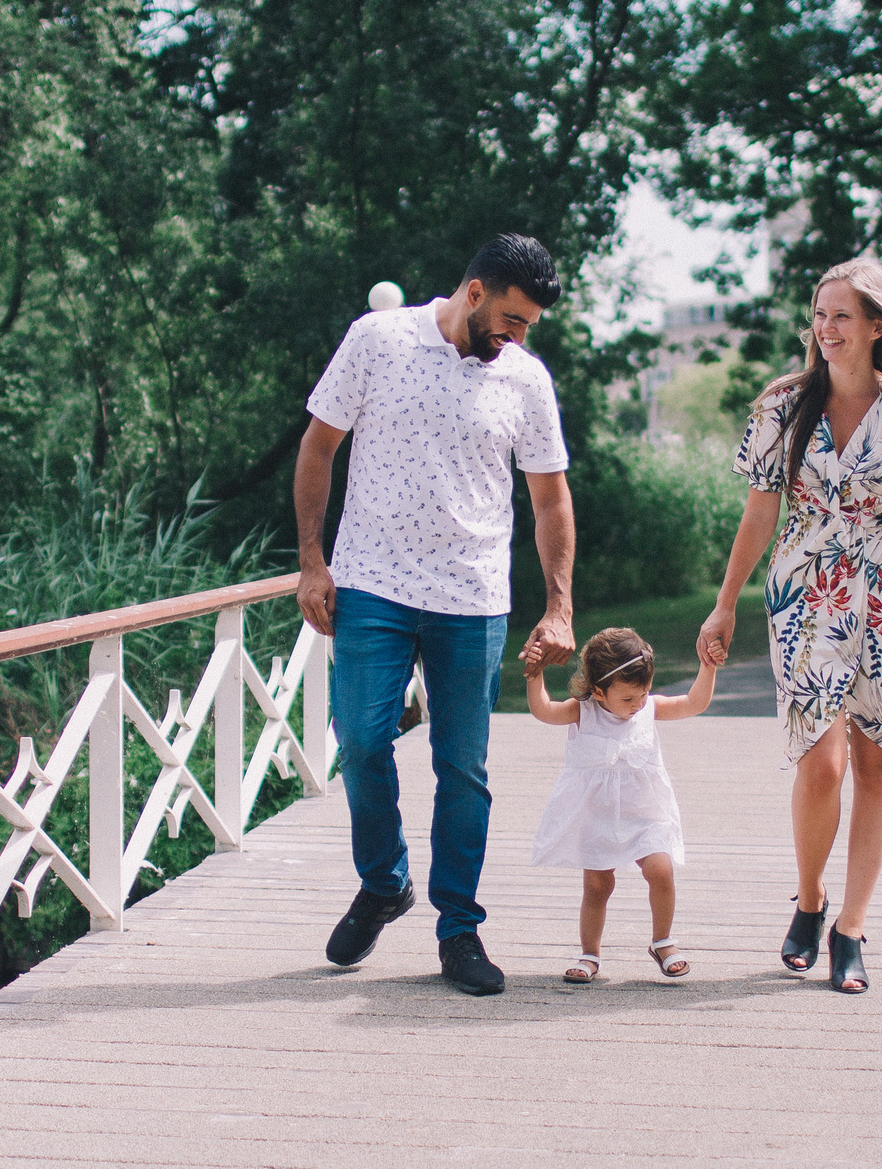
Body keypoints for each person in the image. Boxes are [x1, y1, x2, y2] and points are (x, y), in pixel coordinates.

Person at [294, 234, 577, 997]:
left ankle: (460, 928)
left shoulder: (524, 378)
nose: (519, 337)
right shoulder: (378, 339)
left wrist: (559, 604)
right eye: (513, 319)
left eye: (530, 327)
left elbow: (550, 497)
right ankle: (385, 881)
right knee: (359, 739)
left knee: (462, 768)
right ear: (476, 291)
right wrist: (313, 562)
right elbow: (319, 446)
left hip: (472, 595)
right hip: (372, 585)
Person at [695, 258, 882, 995]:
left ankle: (852, 925)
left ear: (877, 326)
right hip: (806, 592)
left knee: (879, 763)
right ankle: (809, 899)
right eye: (819, 314)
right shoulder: (783, 404)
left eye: (842, 315)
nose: (826, 328)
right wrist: (726, 601)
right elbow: (760, 508)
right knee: (822, 760)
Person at [522, 626, 718, 983]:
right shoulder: (583, 712)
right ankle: (589, 953)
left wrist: (708, 667)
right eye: (628, 699)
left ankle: (663, 941)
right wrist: (535, 676)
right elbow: (544, 711)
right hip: (597, 816)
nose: (637, 704)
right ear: (598, 691)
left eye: (642, 694)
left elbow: (694, 703)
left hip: (645, 813)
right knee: (598, 886)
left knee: (661, 869)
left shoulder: (649, 708)